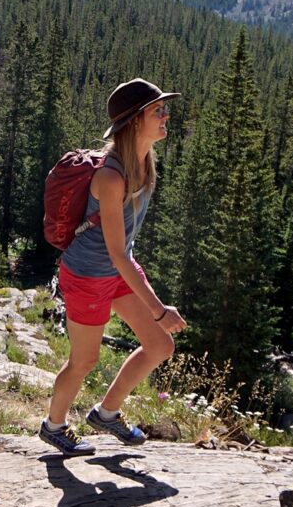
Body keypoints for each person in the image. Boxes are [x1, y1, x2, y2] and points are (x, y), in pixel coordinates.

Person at [40, 78, 188, 455]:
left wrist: (155, 310)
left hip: (117, 270)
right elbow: (117, 252)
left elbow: (123, 253)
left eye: (164, 109)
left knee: (159, 345)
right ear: (136, 120)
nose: (166, 115)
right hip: (88, 275)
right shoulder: (111, 175)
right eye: (158, 110)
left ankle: (106, 414)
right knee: (84, 360)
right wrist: (158, 309)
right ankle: (54, 426)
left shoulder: (144, 163)